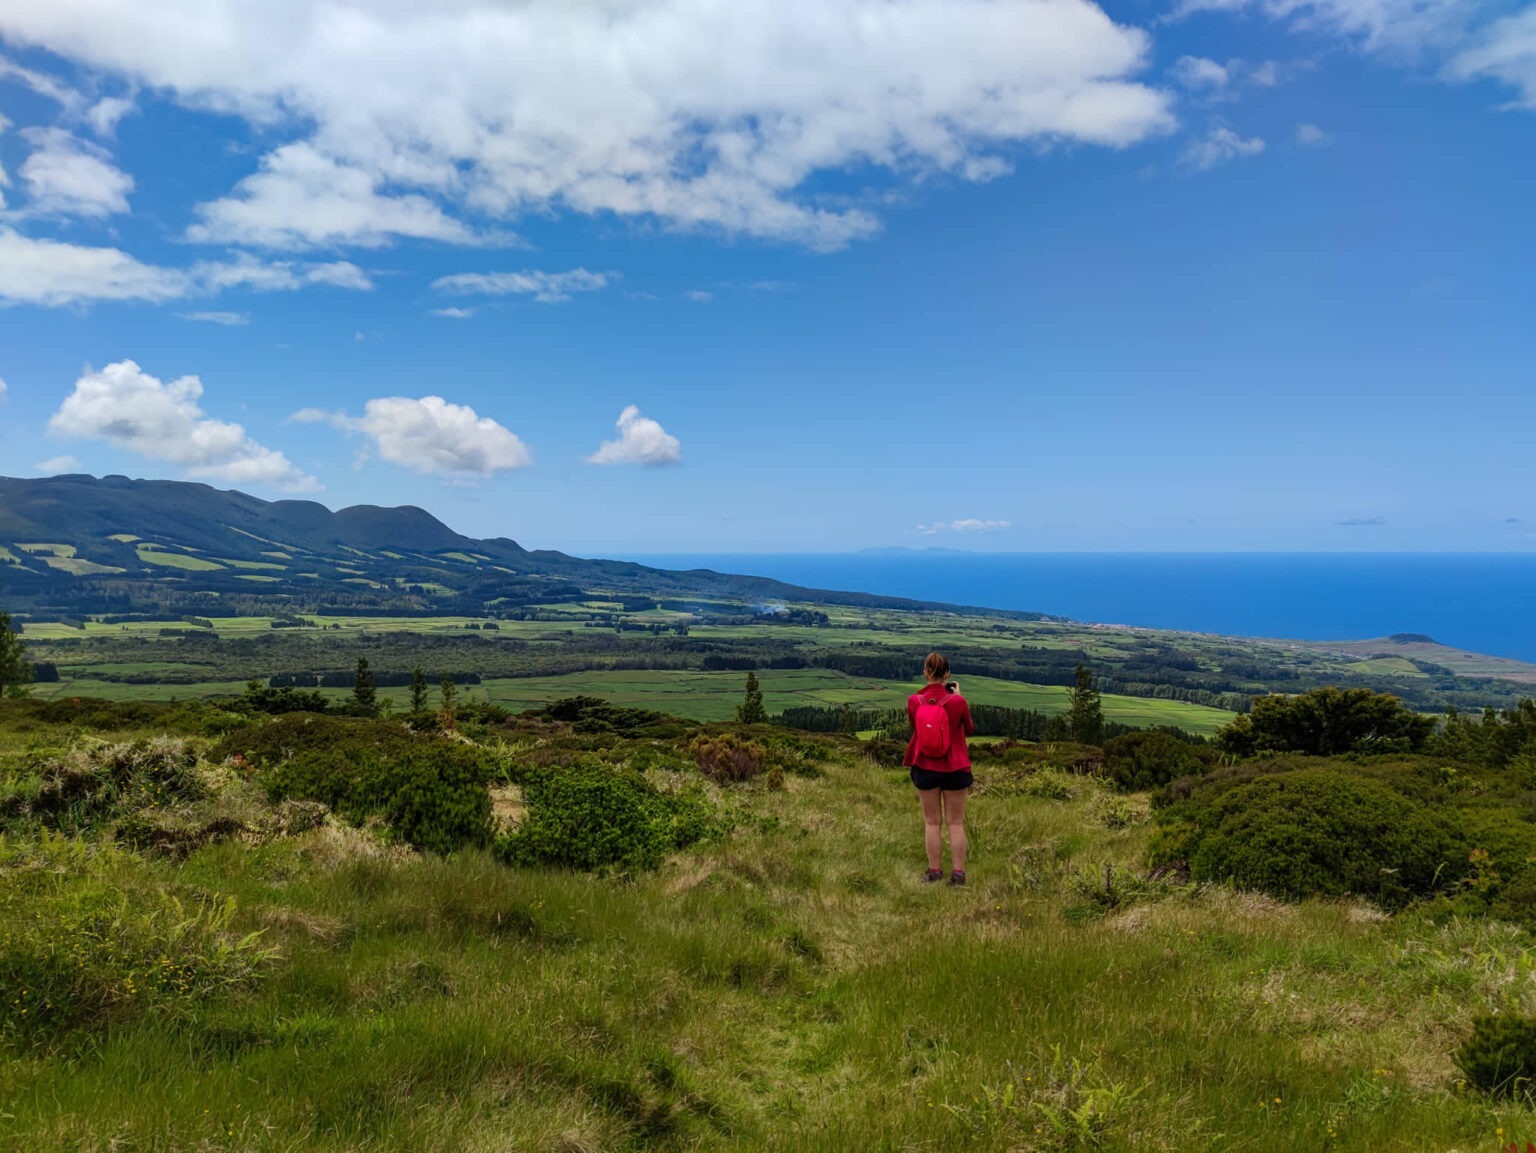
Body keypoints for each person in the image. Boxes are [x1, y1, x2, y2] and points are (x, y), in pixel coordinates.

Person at [905, 651, 975, 886]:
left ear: (925, 672)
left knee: (932, 822)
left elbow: (916, 727)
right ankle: (958, 875)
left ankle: (934, 872)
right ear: (948, 674)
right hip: (955, 767)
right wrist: (959, 697)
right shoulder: (957, 702)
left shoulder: (915, 701)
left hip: (925, 766)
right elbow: (969, 728)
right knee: (955, 822)